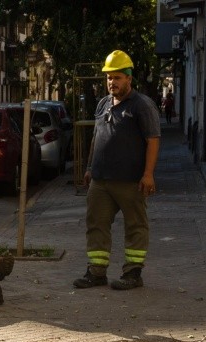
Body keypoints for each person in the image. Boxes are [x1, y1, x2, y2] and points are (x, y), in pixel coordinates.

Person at [73, 50, 160, 291]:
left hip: (131, 181)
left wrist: (148, 174)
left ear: (129, 79)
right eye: (109, 78)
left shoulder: (142, 105)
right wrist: (90, 167)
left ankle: (133, 273)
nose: (113, 82)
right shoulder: (103, 103)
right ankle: (96, 272)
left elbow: (153, 139)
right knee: (96, 224)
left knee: (135, 226)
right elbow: (96, 137)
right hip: (100, 181)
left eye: (118, 77)